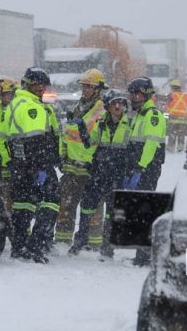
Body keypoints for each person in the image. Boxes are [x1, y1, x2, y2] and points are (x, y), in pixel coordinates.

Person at [1, 67, 60, 263]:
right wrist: (41, 168)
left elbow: (8, 138)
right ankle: (36, 245)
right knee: (51, 201)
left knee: (23, 205)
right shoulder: (32, 107)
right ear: (29, 85)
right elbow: (36, 141)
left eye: (43, 86)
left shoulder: (14, 104)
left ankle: (19, 246)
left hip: (20, 164)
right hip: (35, 164)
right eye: (39, 86)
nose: (42, 90)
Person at [68, 89, 131, 259]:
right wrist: (81, 126)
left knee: (112, 209)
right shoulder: (101, 123)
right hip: (99, 170)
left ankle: (108, 246)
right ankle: (80, 240)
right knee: (87, 205)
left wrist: (130, 171)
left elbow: (133, 150)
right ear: (108, 107)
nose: (118, 106)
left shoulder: (130, 123)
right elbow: (89, 143)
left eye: (121, 103)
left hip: (117, 172)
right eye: (114, 103)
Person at [56, 69, 107, 249]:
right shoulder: (75, 109)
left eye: (89, 86)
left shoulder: (102, 111)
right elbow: (66, 135)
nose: (85, 89)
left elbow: (100, 140)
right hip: (71, 167)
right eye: (84, 86)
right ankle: (62, 241)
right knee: (65, 206)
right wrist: (62, 156)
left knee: (93, 209)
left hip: (91, 168)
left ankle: (93, 244)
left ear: (98, 89)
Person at [124, 76, 167, 266]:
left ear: (147, 95)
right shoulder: (139, 115)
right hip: (138, 168)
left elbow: (150, 145)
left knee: (144, 210)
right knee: (138, 210)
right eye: (132, 94)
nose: (133, 97)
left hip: (146, 169)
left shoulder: (153, 115)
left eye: (138, 94)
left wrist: (140, 167)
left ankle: (144, 256)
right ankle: (141, 254)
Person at [0, 78, 19, 214]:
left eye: (12, 94)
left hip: (16, 165)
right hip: (3, 165)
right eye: (7, 94)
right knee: (6, 201)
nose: (10, 97)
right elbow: (0, 139)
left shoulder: (16, 110)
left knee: (19, 201)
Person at [164, 79, 187, 152]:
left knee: (172, 134)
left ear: (173, 87)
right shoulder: (184, 96)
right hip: (183, 119)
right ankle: (180, 147)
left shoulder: (171, 95)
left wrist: (165, 119)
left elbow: (166, 108)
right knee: (181, 134)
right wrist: (185, 116)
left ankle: (171, 147)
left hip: (172, 118)